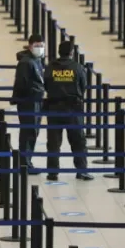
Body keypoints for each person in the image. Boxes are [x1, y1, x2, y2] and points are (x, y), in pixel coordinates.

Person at [42, 41, 94, 181]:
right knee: (78, 141)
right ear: (72, 52)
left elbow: (45, 85)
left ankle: (52, 172)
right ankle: (82, 170)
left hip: (54, 108)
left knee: (53, 142)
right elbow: (83, 87)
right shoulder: (77, 67)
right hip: (73, 109)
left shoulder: (50, 67)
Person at [11, 34, 45, 172]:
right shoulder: (26, 62)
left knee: (32, 131)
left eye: (42, 46)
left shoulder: (36, 60)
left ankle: (27, 161)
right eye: (37, 46)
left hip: (35, 100)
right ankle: (24, 163)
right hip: (29, 101)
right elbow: (22, 83)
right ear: (30, 46)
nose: (40, 48)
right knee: (29, 131)